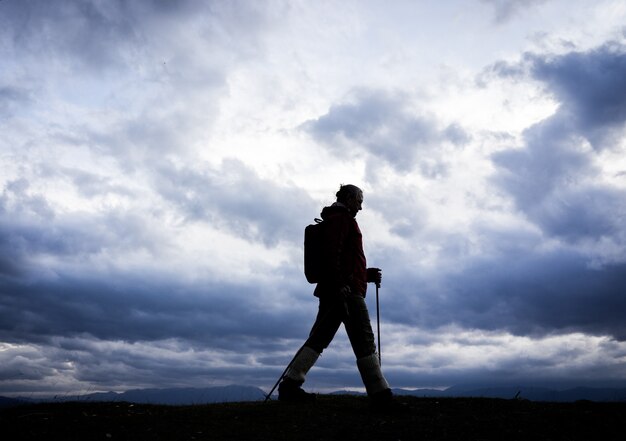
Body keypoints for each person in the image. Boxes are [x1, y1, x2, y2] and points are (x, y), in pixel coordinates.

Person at [278, 184, 393, 407]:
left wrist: (365, 275)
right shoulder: (342, 220)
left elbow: (340, 258)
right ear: (349, 198)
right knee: (364, 340)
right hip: (346, 291)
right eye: (359, 200)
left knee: (319, 338)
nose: (361, 206)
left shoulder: (335, 219)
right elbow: (332, 253)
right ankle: (381, 395)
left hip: (337, 288)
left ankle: (290, 386)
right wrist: (342, 283)